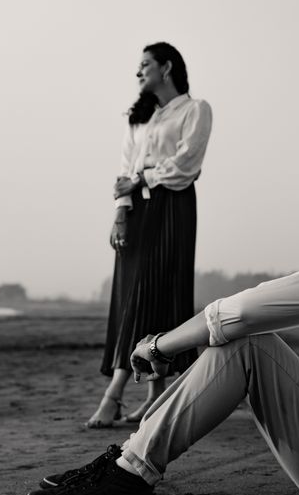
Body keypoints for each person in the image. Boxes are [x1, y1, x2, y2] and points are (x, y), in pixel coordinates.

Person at [26, 140, 299, 495]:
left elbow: (243, 312)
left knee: (248, 341)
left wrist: (159, 346)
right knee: (246, 344)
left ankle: (130, 471)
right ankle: (126, 463)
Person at [86, 42, 214, 428]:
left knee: (156, 291)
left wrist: (144, 178)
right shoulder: (139, 117)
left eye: (145, 65)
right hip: (137, 210)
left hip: (173, 206)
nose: (138, 72)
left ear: (167, 67)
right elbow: (124, 170)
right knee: (131, 294)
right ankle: (155, 398)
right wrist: (121, 214)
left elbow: (187, 164)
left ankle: (114, 396)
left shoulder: (195, 110)